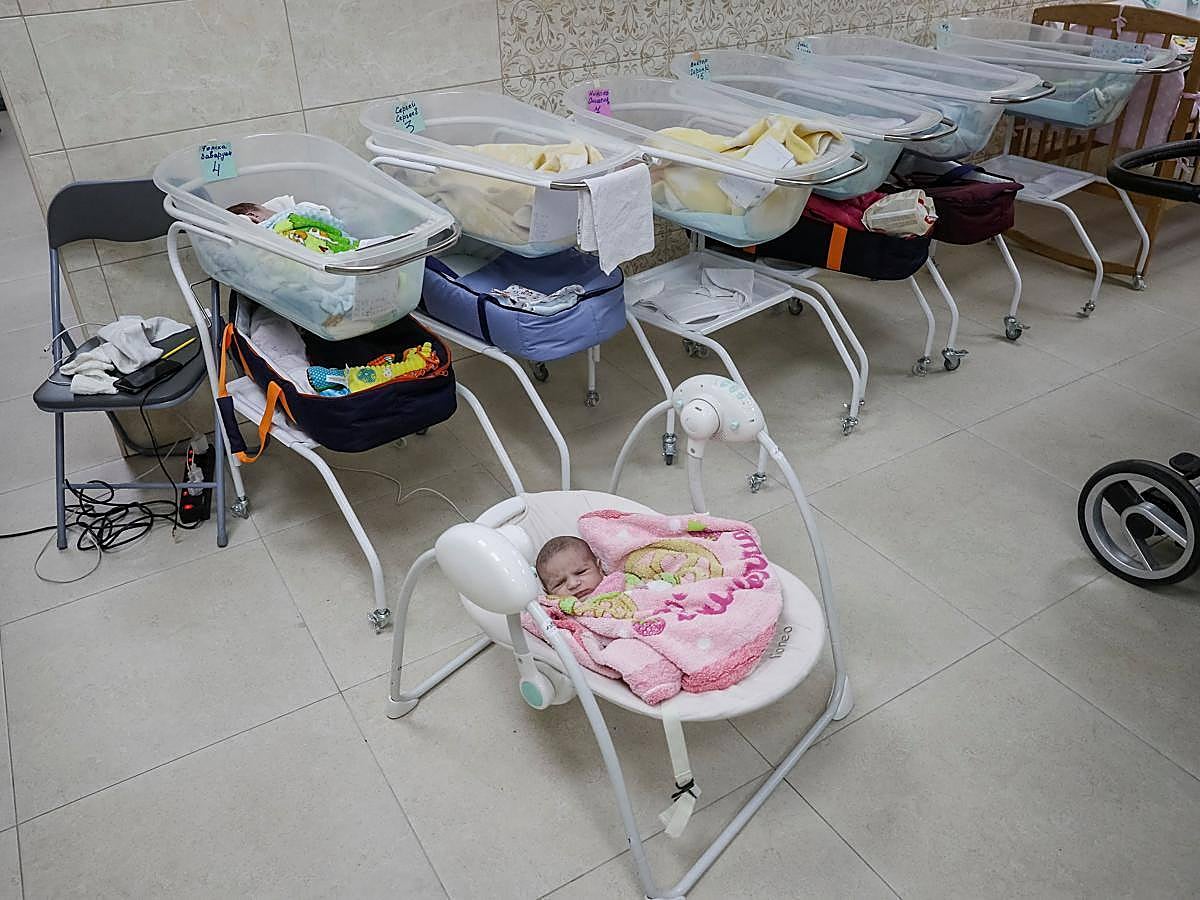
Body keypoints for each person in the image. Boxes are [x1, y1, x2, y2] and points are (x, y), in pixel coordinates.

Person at [534, 535, 603, 599]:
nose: (573, 584)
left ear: (599, 567)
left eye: (580, 572)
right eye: (559, 583)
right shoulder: (551, 611)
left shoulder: (613, 585)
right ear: (549, 594)